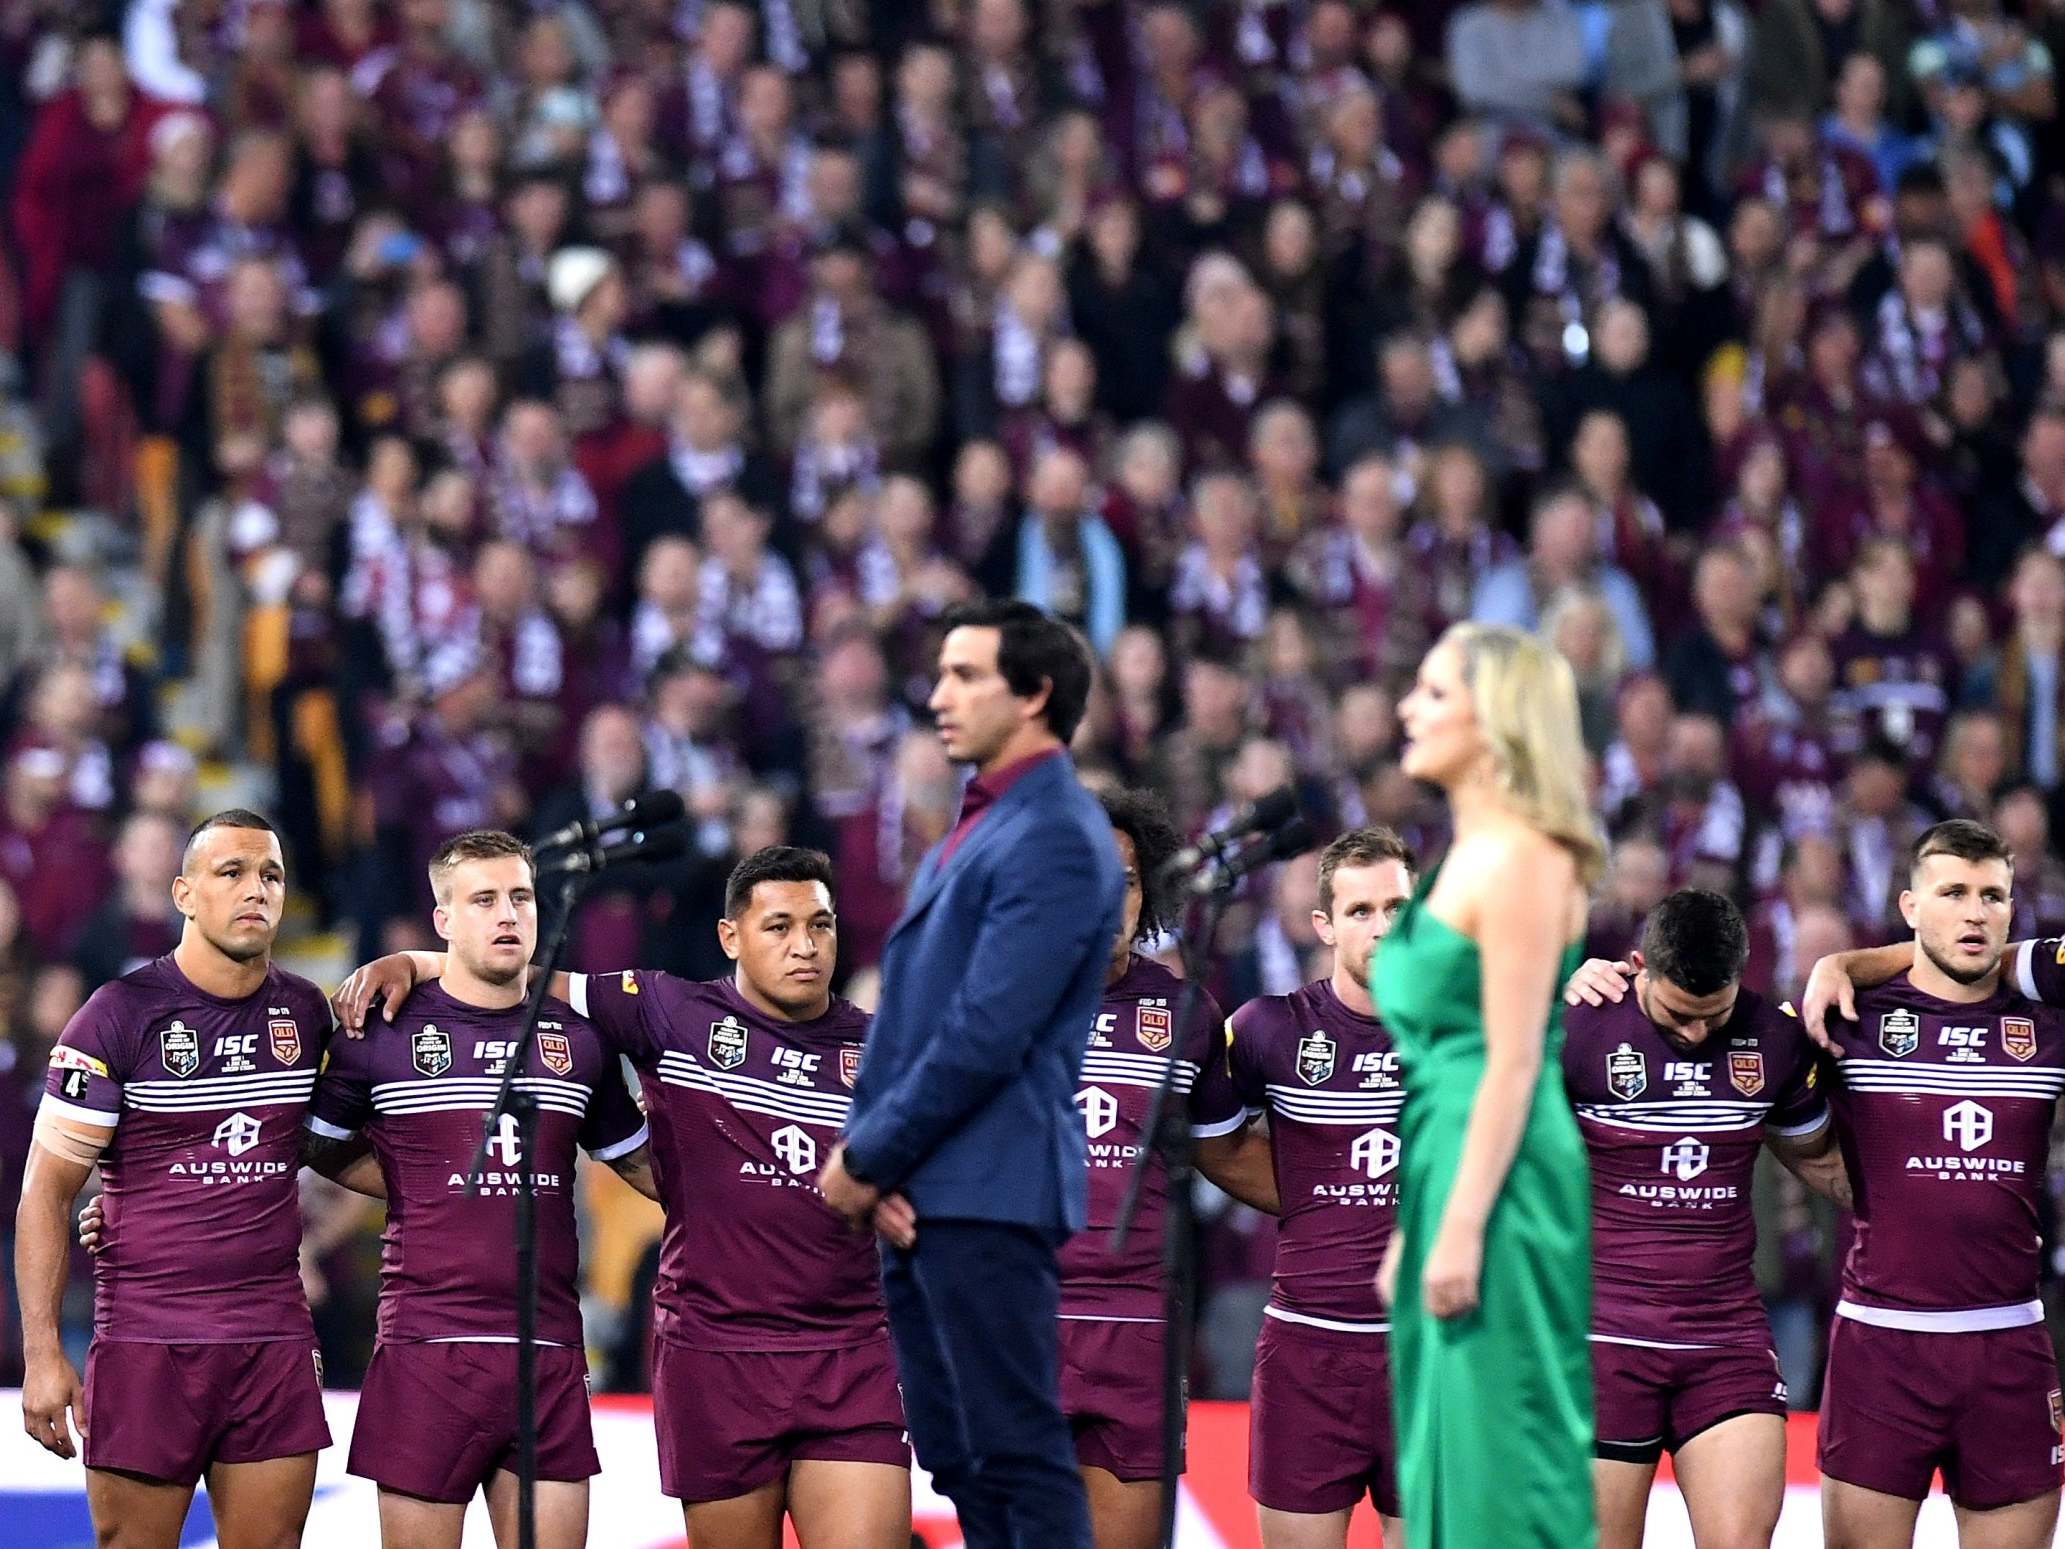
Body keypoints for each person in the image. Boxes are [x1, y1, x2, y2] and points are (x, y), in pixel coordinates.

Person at [334, 844, 913, 1549]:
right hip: (714, 1350)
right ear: (731, 936)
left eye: (820, 926)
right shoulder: (669, 1009)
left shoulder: (883, 1048)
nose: (804, 946)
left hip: (845, 1348)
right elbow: (526, 977)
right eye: (780, 926)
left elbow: (934, 1165)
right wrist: (418, 963)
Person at [818, 598, 1126, 1549]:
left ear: (1034, 694)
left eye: (964, 674)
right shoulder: (985, 819)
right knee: (964, 1457)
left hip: (985, 1189)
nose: (937, 693)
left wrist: (869, 1157)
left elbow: (984, 1032)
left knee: (1016, 1450)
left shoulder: (1053, 832)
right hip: (934, 1187)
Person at [307, 830, 653, 1549]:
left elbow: (643, 1164)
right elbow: (310, 1143)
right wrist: (416, 1180)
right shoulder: (382, 1031)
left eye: (520, 898)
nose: (507, 915)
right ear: (443, 919)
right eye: (485, 899)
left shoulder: (578, 1038)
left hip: (548, 1348)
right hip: (426, 1347)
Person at [16, 810, 336, 1549]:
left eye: (272, 875)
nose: (256, 890)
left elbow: (333, 1146)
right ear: (183, 893)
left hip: (271, 1338)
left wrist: (407, 963)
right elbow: (46, 1191)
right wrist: (42, 1353)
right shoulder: (117, 1016)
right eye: (232, 873)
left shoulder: (305, 1012)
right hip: (147, 1340)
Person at [1368, 623, 1604, 1548]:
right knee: (1444, 1443)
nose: (1405, 707)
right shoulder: (1462, 853)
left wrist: (1459, 1223)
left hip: (1499, 1173)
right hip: (1447, 1156)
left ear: (1494, 715)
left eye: (1431, 691)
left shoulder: (1523, 856)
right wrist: (1414, 1223)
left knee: (1503, 1450)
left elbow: (1512, 1058)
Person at [1789, 820, 2065, 1549]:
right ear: (1910, 906)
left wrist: (1846, 957)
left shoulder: (2049, 1021)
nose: (1973, 912)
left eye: (1991, 896)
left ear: (2011, 910)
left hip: (2008, 1343)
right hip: (1880, 1349)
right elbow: (1727, 1057)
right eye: (1951, 893)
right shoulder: (1844, 1020)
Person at [1558, 889, 1850, 1549]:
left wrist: (1928, 1211)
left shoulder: (1772, 1035)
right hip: (1601, 1337)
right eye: (1677, 1015)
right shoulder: (1577, 1029)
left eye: (1711, 1016)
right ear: (1638, 965)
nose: (1695, 1034)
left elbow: (1821, 1161)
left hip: (1726, 1338)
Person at [1196, 826, 1418, 1549]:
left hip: (1430, 1350)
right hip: (1306, 1351)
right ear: (1321, 924)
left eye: (1396, 907)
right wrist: (1310, 1195)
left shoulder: (1471, 1034)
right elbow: (1217, 1143)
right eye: (1360, 911)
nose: (1382, 927)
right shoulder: (1267, 1029)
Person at [1061, 786, 1271, 1549]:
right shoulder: (988, 999)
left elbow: (1228, 1152)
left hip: (1137, 1322)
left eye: (1124, 879)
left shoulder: (1183, 1012)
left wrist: (1352, 1197)